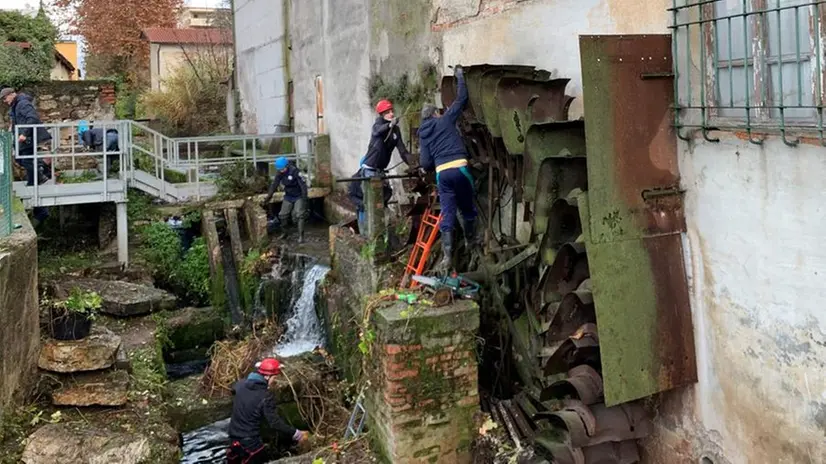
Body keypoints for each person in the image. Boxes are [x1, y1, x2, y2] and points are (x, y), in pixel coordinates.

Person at [417, 65, 478, 272]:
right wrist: (460, 76)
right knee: (468, 209)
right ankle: (472, 244)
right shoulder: (444, 120)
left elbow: (425, 163)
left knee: (448, 213)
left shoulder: (422, 136)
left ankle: (447, 256)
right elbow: (461, 100)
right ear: (435, 114)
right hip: (460, 169)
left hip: (442, 174)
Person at [226, 358, 310, 464]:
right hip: (251, 445)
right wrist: (296, 434)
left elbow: (233, 388)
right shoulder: (265, 396)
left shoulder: (240, 384)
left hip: (233, 441)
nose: (275, 381)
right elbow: (274, 423)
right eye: (274, 378)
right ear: (267, 377)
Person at [349, 99, 413, 233]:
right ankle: (368, 233)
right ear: (382, 115)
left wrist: (413, 164)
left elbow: (402, 151)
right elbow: (377, 131)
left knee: (383, 198)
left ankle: (380, 230)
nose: (391, 114)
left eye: (391, 111)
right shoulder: (378, 125)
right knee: (371, 202)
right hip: (370, 170)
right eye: (387, 112)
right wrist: (389, 125)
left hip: (381, 170)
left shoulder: (396, 130)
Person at [2, 87, 52, 224]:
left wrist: (24, 133)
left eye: (5, 98)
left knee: (26, 159)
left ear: (11, 95)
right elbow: (16, 120)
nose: (4, 101)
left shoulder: (23, 103)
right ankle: (40, 173)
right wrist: (11, 128)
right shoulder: (15, 105)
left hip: (28, 138)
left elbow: (32, 118)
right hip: (22, 138)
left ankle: (39, 176)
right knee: (20, 158)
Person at [262, 156, 309, 243]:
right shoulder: (279, 173)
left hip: (298, 196)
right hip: (288, 196)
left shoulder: (295, 171)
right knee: (282, 215)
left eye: (282, 169)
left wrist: (304, 199)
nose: (281, 171)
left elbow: (303, 186)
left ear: (286, 166)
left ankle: (301, 236)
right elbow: (274, 184)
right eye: (279, 169)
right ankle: (285, 233)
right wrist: (269, 197)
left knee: (299, 215)